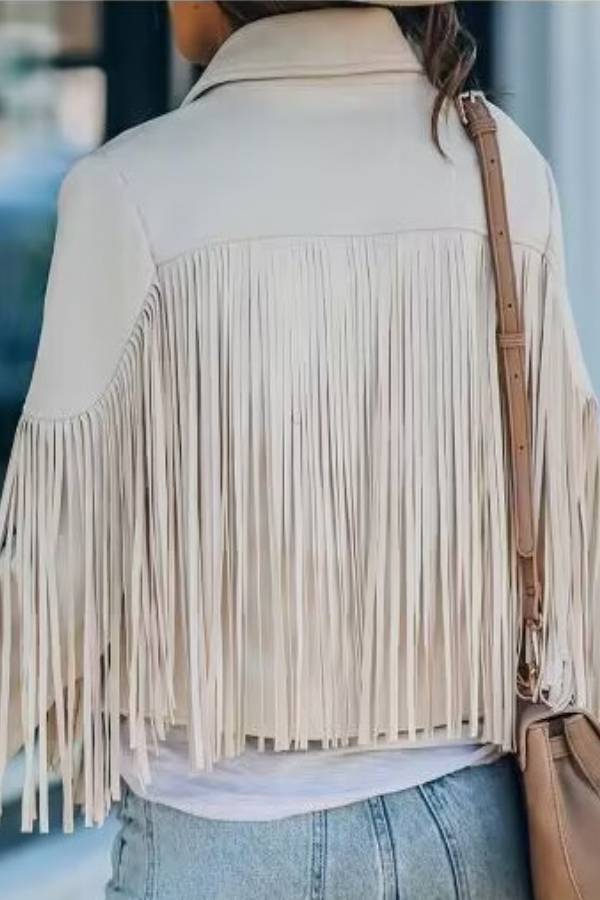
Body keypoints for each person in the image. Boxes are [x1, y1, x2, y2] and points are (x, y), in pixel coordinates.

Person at [0, 1, 598, 897]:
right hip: (473, 835)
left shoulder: (130, 187)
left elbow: (52, 589)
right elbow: (572, 526)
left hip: (225, 841)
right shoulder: (499, 165)